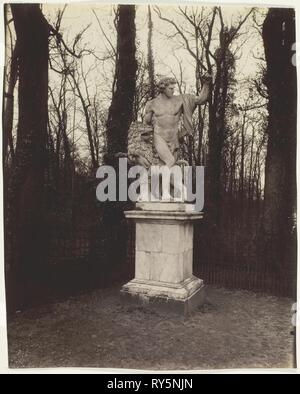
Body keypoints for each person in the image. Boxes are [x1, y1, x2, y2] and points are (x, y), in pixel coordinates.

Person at [144, 74, 212, 168]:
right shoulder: (152, 104)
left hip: (174, 139)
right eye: (170, 88)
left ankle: (156, 179)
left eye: (173, 88)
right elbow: (145, 125)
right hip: (159, 137)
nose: (173, 90)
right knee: (170, 161)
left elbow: (200, 99)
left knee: (169, 167)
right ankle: (154, 178)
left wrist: (206, 84)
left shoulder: (180, 100)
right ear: (163, 88)